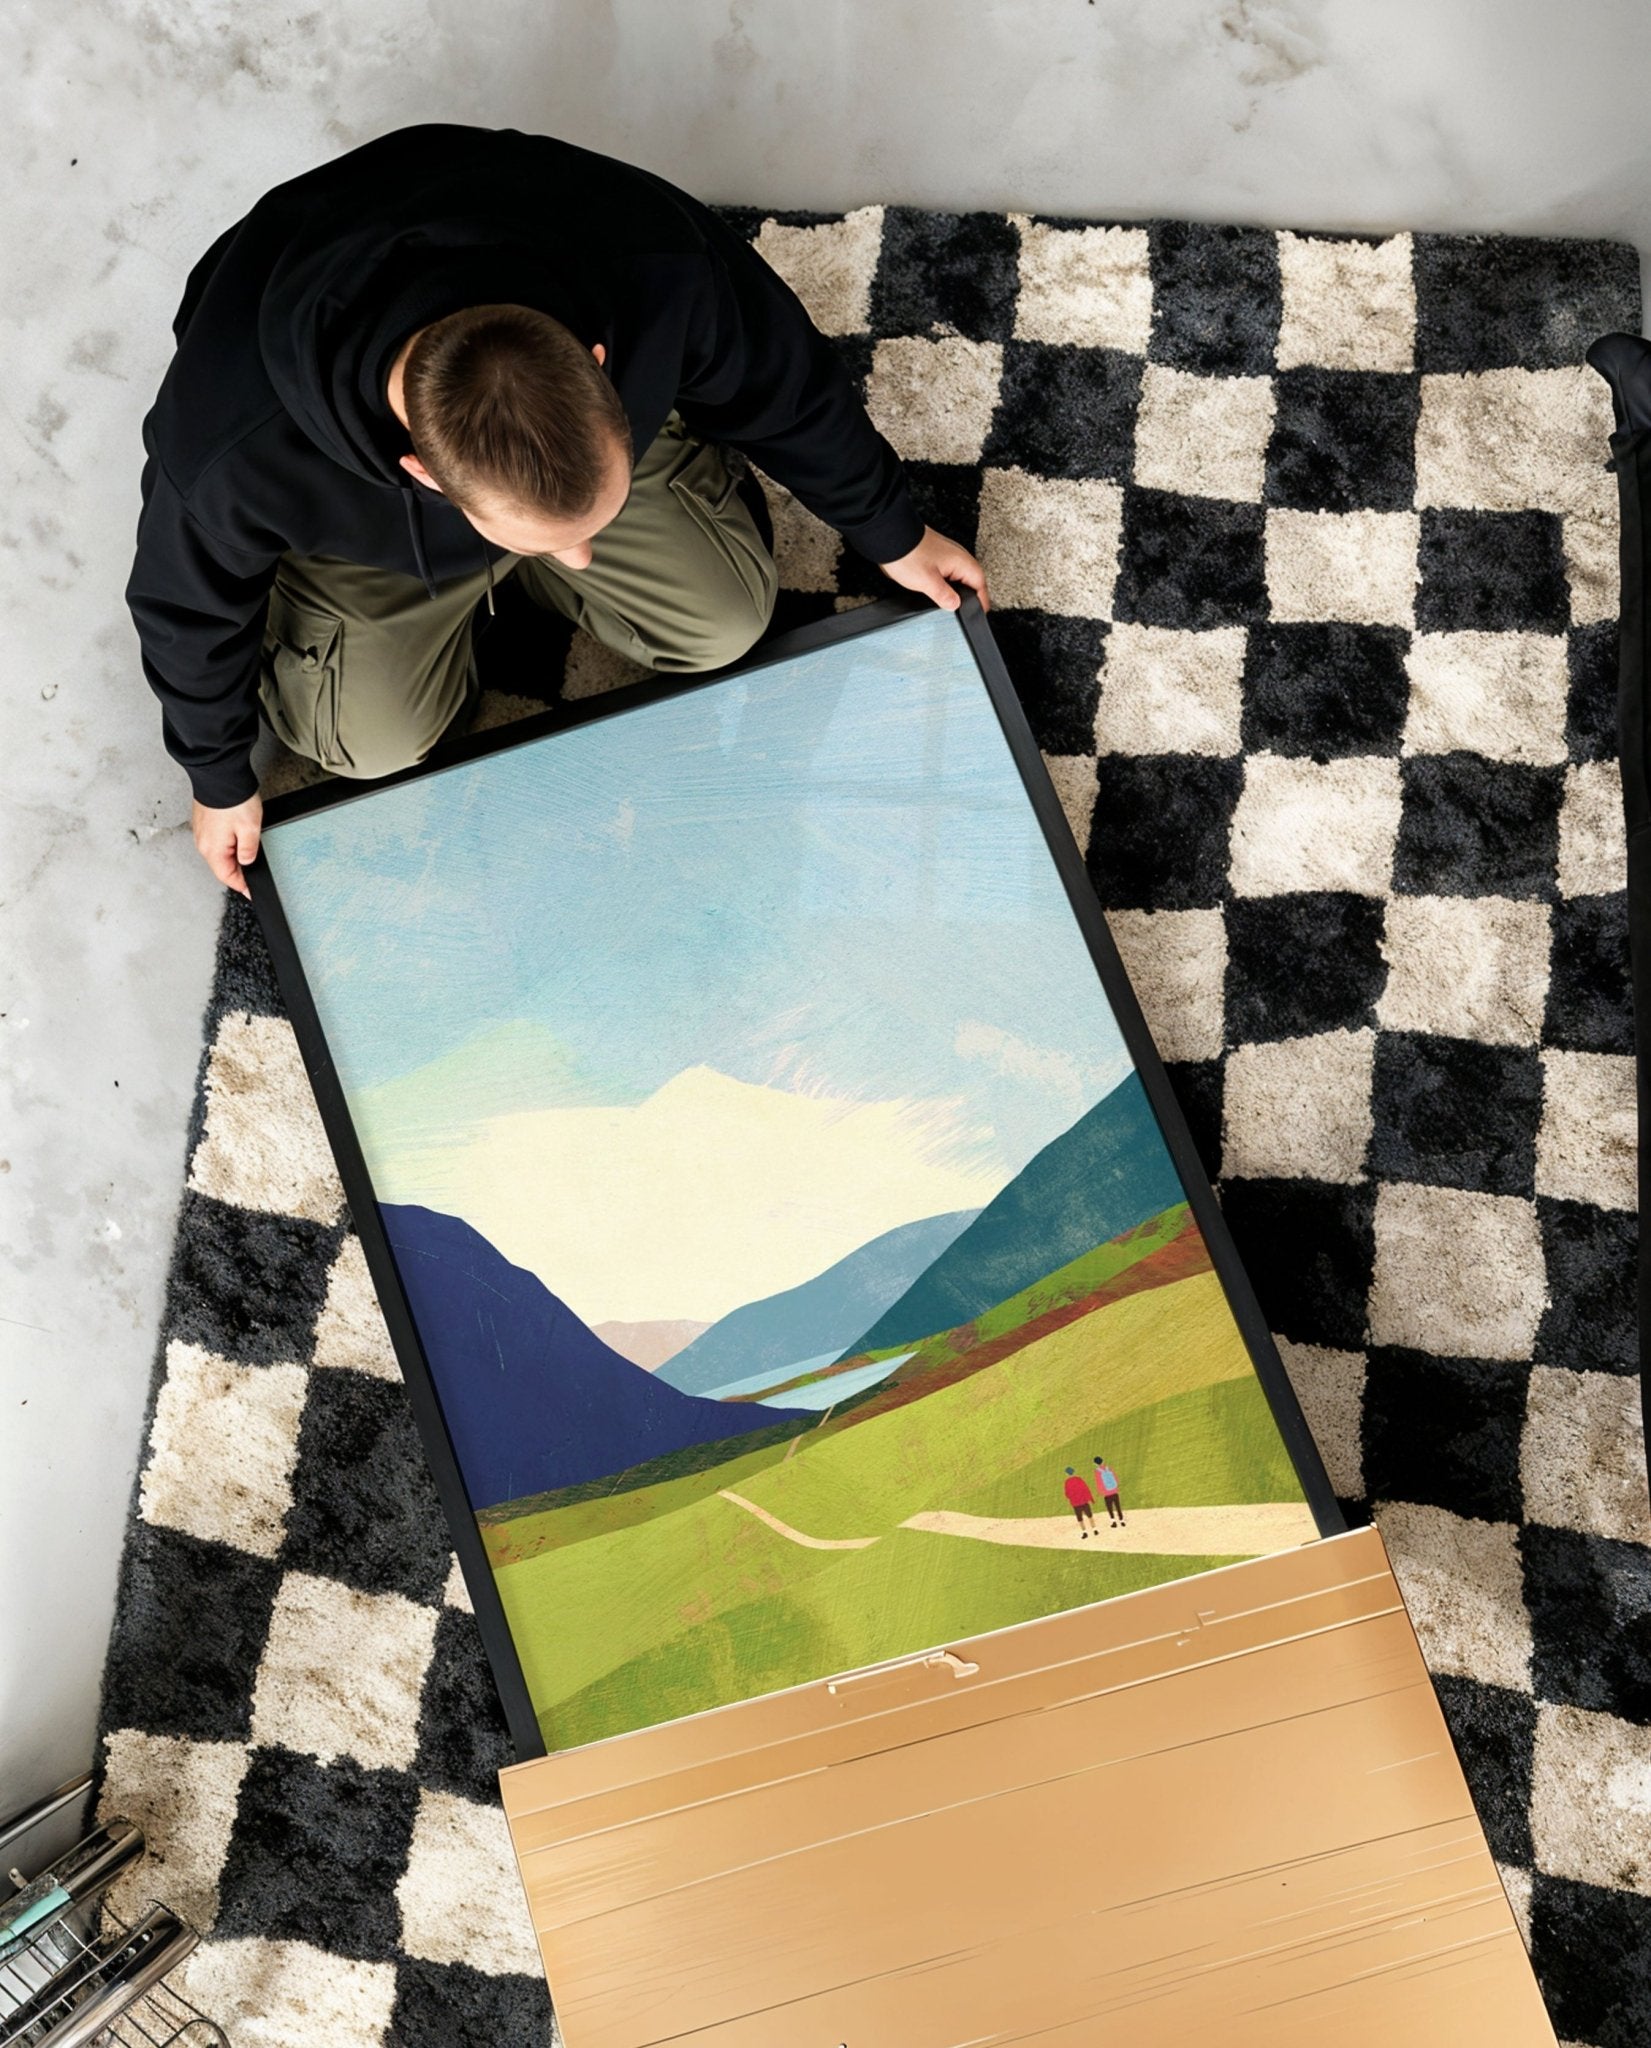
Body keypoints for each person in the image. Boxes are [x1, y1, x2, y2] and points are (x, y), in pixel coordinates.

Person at [127, 125, 991, 898]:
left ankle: (568, 511)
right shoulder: (230, 448)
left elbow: (785, 385)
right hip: (361, 543)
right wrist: (217, 777)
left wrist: (893, 530)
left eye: (588, 529)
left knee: (724, 625)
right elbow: (185, 606)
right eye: (552, 543)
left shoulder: (653, 256)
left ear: (600, 364)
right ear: (423, 475)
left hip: (553, 404)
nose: (582, 558)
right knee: (368, 746)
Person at [1063, 1466, 1098, 1538]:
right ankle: (1094, 1529)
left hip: (1076, 1504)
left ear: (1067, 1474)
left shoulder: (1067, 1482)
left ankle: (1084, 1532)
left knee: (1080, 1518)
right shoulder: (1079, 1479)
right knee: (1090, 1516)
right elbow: (1086, 1488)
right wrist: (1091, 1499)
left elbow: (1067, 1494)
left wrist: (1071, 1498)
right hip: (1084, 1501)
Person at [1092, 1455, 1125, 1526]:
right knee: (1118, 1506)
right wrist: (1116, 1487)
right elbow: (1115, 1478)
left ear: (1096, 1464)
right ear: (1102, 1461)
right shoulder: (1109, 1468)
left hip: (1107, 1493)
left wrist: (1100, 1491)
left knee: (1110, 1508)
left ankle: (1113, 1522)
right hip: (1114, 1491)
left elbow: (1099, 1482)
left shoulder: (1097, 1472)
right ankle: (1122, 1520)